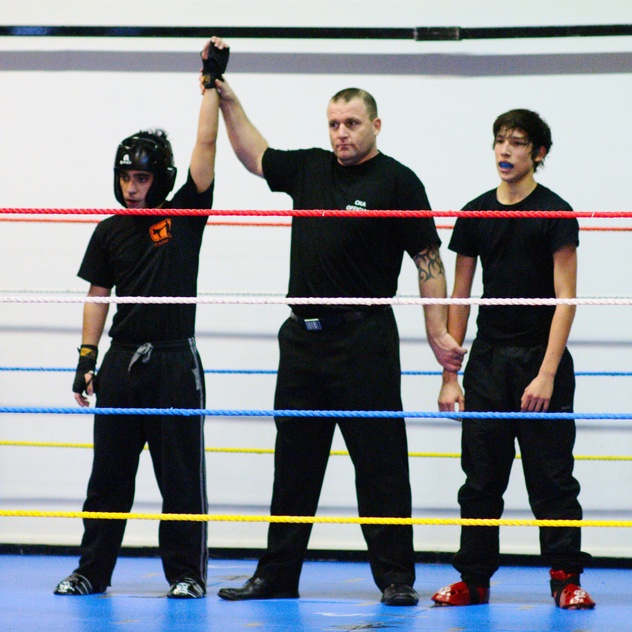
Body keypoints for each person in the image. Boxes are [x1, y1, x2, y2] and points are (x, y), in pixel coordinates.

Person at [213, 78, 466, 606]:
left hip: (363, 339)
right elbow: (254, 155)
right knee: (294, 465)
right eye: (333, 124)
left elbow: (428, 259)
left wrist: (437, 332)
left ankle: (396, 578)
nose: (341, 133)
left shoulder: (398, 182)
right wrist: (227, 98)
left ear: (375, 125)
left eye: (351, 123)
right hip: (301, 341)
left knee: (380, 464)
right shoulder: (309, 167)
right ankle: (277, 575)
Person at [53, 37, 229, 599]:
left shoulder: (185, 216)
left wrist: (209, 85)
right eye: (127, 177)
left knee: (180, 479)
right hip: (121, 362)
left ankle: (186, 574)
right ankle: (91, 570)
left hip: (175, 362)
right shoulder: (109, 230)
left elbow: (206, 146)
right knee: (107, 476)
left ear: (162, 178)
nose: (133, 187)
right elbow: (97, 296)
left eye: (143, 178)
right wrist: (86, 357)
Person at [432, 109, 595, 609]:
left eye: (518, 142)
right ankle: (474, 580)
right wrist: (450, 376)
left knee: (552, 478)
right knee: (481, 478)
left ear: (538, 153)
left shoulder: (555, 212)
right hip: (488, 361)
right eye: (500, 140)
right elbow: (461, 297)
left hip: (541, 360)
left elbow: (566, 299)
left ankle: (566, 578)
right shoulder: (475, 213)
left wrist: (546, 373)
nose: (506, 150)